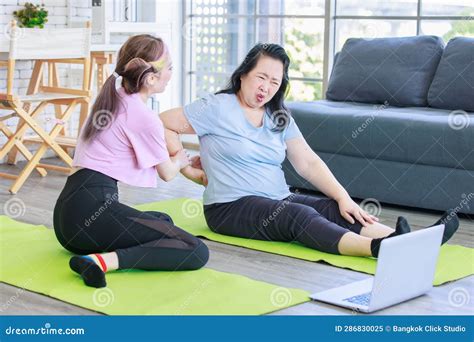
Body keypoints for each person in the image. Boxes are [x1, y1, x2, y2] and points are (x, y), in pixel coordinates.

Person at [160, 43, 459, 259]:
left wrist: (343, 197)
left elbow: (307, 162)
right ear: (243, 75)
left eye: (275, 82)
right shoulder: (215, 107)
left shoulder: (278, 116)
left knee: (332, 208)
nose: (266, 87)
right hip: (229, 207)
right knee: (297, 215)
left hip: (276, 197)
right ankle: (376, 249)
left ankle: (412, 242)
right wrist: (186, 169)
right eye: (261, 77)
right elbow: (162, 123)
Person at [53, 35, 209, 288]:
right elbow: (168, 173)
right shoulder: (143, 116)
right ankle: (100, 262)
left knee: (162, 221)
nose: (171, 73)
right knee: (195, 249)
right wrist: (180, 159)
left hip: (66, 218)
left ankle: (96, 255)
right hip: (88, 216)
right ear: (150, 78)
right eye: (169, 67)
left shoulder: (114, 95)